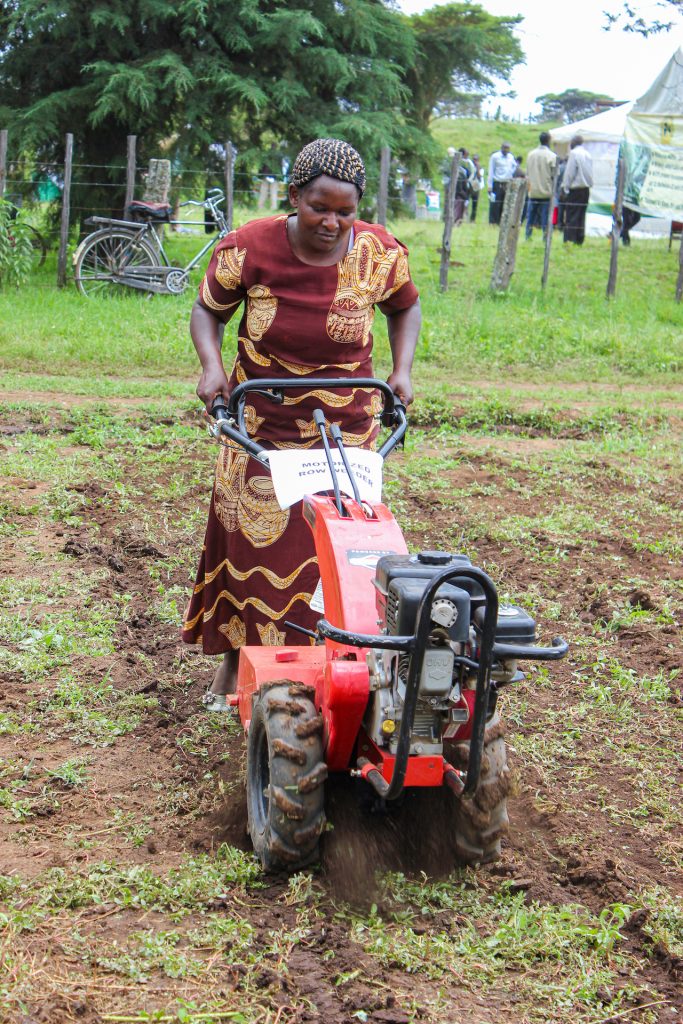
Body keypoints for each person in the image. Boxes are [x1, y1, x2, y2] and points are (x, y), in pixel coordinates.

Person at [182, 138, 422, 709]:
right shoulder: (249, 246)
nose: (333, 222)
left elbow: (405, 306)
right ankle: (237, 666)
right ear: (295, 197)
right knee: (252, 553)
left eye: (346, 211)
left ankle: (337, 674)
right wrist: (212, 369)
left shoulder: (379, 252)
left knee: (342, 553)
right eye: (320, 207)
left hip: (347, 431)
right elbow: (208, 310)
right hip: (261, 424)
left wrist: (402, 370)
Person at [525, 131, 557, 240]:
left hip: (533, 191)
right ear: (548, 141)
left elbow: (527, 172)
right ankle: (545, 237)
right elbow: (555, 175)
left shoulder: (531, 154)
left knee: (530, 217)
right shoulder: (552, 156)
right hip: (546, 192)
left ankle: (528, 235)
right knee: (545, 217)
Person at [562, 135, 593, 245]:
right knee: (581, 214)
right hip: (586, 189)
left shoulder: (574, 154)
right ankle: (580, 238)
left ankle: (570, 238)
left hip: (575, 189)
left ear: (573, 143)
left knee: (572, 215)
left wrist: (565, 188)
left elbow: (570, 173)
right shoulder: (588, 154)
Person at [487, 142, 517, 225]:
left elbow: (515, 166)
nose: (506, 150)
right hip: (497, 183)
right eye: (505, 148)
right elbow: (491, 170)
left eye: (508, 148)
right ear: (501, 148)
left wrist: (511, 174)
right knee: (495, 203)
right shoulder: (495, 156)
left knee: (505, 203)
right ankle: (493, 222)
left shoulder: (510, 157)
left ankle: (502, 222)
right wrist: (489, 185)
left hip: (507, 183)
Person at [469, 154, 484, 222]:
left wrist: (477, 168)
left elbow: (480, 178)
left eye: (476, 160)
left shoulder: (480, 168)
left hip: (475, 185)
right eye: (473, 159)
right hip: (469, 184)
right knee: (465, 201)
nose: (474, 161)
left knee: (475, 203)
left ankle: (472, 219)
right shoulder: (470, 167)